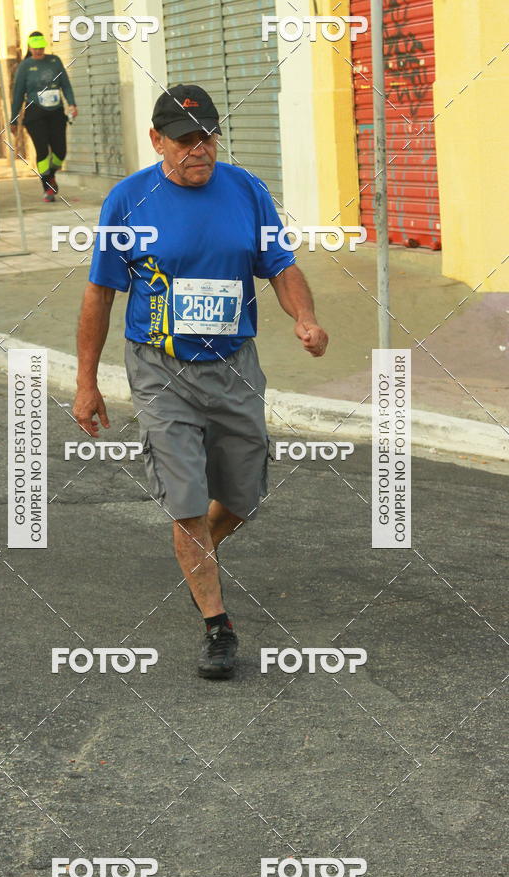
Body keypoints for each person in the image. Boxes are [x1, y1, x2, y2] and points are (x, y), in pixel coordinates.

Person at [73, 84, 328, 679]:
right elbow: (99, 295)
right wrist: (86, 383)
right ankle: (217, 626)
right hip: (161, 368)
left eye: (209, 135)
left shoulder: (247, 190)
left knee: (241, 498)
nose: (201, 149)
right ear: (157, 140)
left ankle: (196, 554)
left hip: (235, 365)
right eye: (186, 139)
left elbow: (281, 265)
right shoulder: (128, 201)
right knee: (186, 500)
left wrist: (306, 317)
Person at [10, 31, 77, 202]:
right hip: (35, 114)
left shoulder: (54, 61)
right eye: (35, 48)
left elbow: (66, 85)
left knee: (60, 151)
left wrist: (72, 103)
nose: (39, 51)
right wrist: (14, 119)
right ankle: (47, 187)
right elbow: (18, 94)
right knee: (42, 151)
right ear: (30, 47)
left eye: (41, 47)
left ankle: (51, 174)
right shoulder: (25, 66)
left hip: (56, 112)